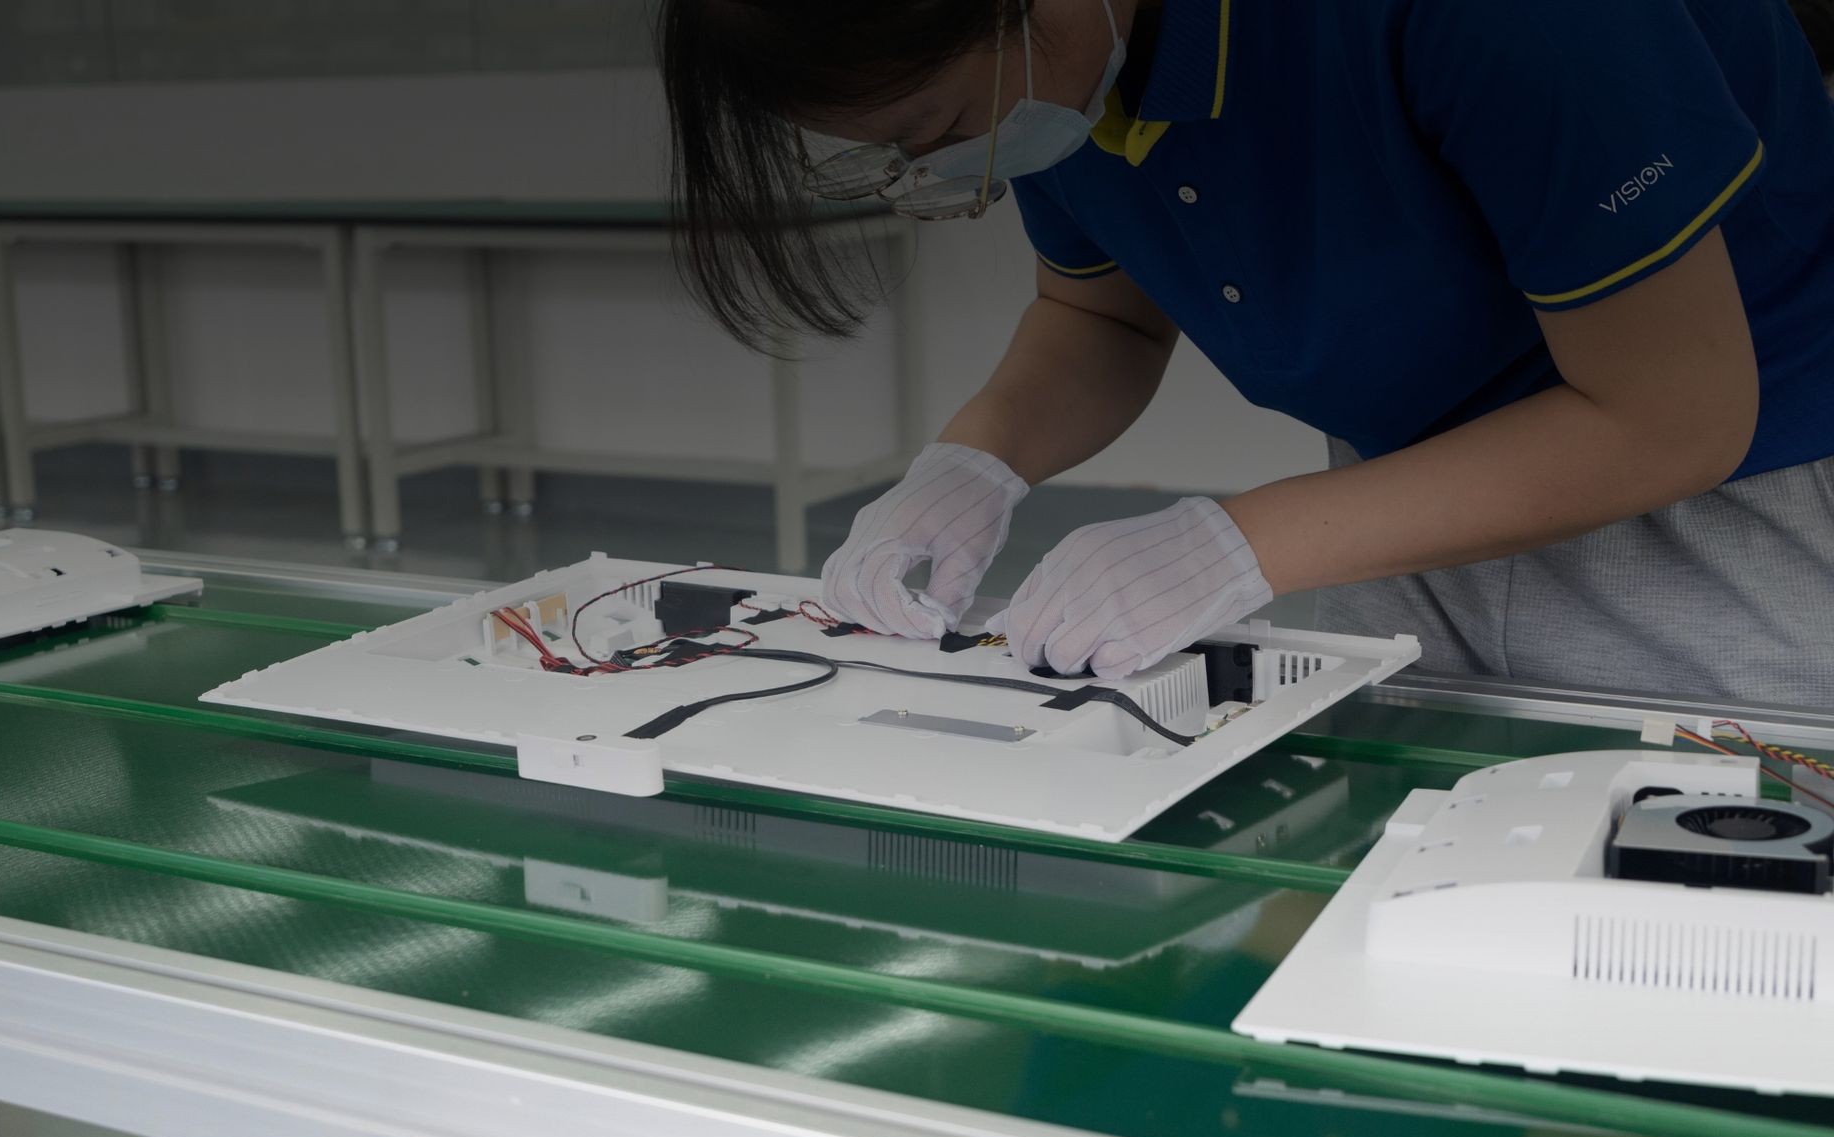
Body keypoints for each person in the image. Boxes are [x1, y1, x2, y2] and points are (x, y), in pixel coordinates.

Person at [659, 0, 1834, 704]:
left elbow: (1667, 417)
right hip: (1409, 504)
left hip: (1732, 507)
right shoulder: (1083, 65)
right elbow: (1100, 317)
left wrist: (1240, 540)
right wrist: (974, 462)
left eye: (945, 134)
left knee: (1722, 924)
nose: (943, 170)